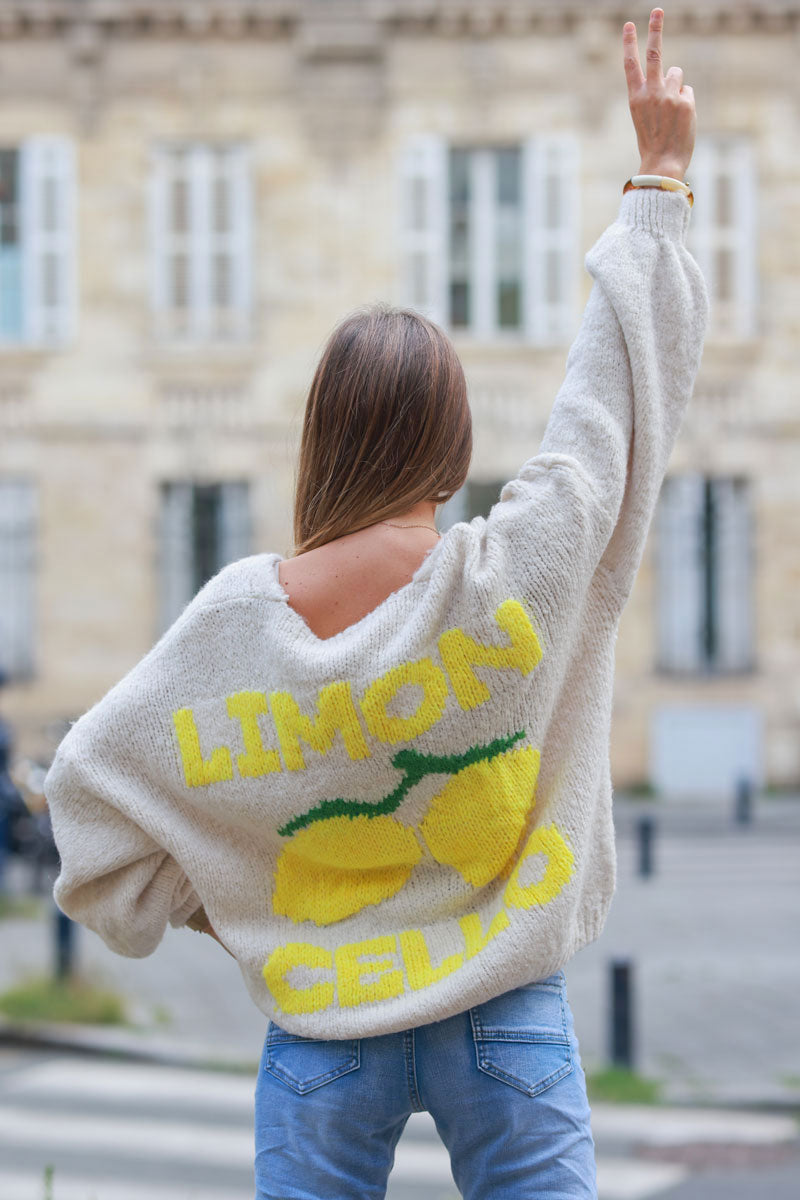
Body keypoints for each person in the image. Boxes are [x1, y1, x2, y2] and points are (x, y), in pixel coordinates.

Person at [42, 9, 707, 1198]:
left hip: (320, 1037)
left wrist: (242, 901)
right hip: (504, 1011)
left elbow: (90, 811)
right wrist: (656, 181)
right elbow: (607, 408)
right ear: (450, 457)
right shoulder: (517, 572)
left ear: (319, 445)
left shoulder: (237, 622)